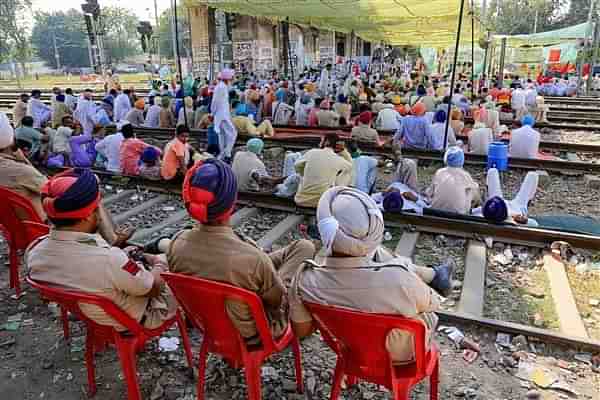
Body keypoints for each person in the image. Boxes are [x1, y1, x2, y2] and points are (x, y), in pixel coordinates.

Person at [288, 187, 454, 362]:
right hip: (401, 356)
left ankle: (433, 274)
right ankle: (432, 275)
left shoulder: (303, 280)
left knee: (382, 256)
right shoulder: (398, 280)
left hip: (349, 350)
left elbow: (301, 330)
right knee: (423, 310)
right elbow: (433, 303)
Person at [167, 159, 315, 343]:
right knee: (305, 250)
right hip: (253, 331)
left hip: (210, 324)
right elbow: (276, 302)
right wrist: (271, 277)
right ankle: (268, 279)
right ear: (232, 203)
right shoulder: (252, 259)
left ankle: (264, 278)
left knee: (302, 247)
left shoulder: (176, 243)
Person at [26, 168, 177, 331]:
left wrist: (122, 257)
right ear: (88, 216)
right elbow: (152, 289)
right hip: (134, 319)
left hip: (91, 316)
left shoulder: (35, 251)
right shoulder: (110, 260)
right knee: (173, 268)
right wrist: (160, 264)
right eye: (97, 209)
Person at [0, 112, 132, 246]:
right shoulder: (18, 170)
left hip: (15, 226)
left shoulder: (11, 167)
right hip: (45, 221)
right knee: (90, 194)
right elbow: (52, 190)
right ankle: (112, 238)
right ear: (8, 139)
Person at [294, 133, 353, 207]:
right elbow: (351, 167)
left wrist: (304, 174)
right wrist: (344, 151)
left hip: (300, 200)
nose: (320, 143)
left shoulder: (312, 152)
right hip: (322, 202)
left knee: (300, 175)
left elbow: (296, 166)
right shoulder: (338, 160)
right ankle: (339, 194)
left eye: (321, 141)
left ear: (326, 142)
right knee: (346, 172)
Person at [473, 168, 539, 226]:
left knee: (492, 171)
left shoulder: (479, 216)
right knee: (533, 175)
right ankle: (528, 203)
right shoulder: (514, 221)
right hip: (516, 208)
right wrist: (524, 220)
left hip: (497, 206)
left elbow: (472, 211)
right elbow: (535, 223)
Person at [426, 146, 480, 214]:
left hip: (436, 210)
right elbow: (475, 193)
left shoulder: (439, 172)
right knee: (473, 188)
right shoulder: (465, 175)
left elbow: (429, 193)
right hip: (458, 214)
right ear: (462, 160)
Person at [211, 69, 238, 160]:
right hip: (222, 116)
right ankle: (226, 153)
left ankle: (222, 155)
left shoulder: (222, 87)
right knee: (233, 133)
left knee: (223, 136)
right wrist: (212, 113)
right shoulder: (221, 87)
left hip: (221, 115)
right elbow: (215, 102)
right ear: (227, 79)